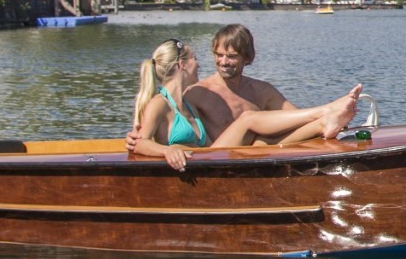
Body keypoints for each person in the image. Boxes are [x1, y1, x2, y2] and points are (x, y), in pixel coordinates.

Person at [125, 38, 361, 170]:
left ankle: (322, 124)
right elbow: (140, 144)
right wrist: (168, 150)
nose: (200, 64)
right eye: (195, 59)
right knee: (248, 119)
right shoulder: (159, 103)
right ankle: (326, 110)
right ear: (182, 65)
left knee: (258, 143)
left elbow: (206, 143)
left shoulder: (189, 102)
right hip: (202, 166)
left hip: (208, 160)